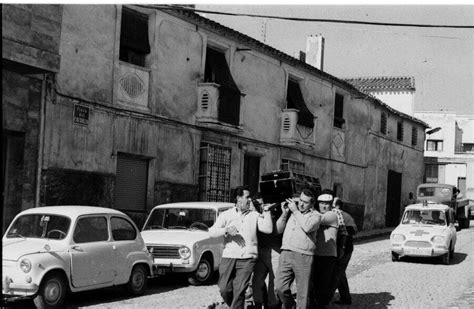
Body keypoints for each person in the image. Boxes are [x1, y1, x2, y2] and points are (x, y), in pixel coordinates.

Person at [209, 186, 273, 309]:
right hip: (229, 256)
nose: (250, 200)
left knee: (239, 290)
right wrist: (226, 230)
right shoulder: (226, 214)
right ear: (238, 199)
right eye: (247, 197)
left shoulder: (254, 215)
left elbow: (268, 229)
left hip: (248, 258)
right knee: (224, 289)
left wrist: (267, 211)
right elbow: (211, 232)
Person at [274, 188, 322, 309]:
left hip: (303, 256)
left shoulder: (316, 216)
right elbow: (278, 229)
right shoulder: (292, 212)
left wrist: (295, 211)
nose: (301, 204)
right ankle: (291, 306)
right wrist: (284, 213)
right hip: (286, 253)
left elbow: (307, 227)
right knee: (280, 287)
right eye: (300, 200)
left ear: (312, 204)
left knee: (302, 293)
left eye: (305, 202)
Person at [252, 198, 286, 309]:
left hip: (275, 250)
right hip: (261, 250)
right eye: (257, 204)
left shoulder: (277, 212)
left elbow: (276, 230)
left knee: (274, 284)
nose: (260, 206)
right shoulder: (255, 215)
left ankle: (273, 305)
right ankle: (259, 303)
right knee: (257, 282)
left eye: (262, 203)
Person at [313, 193, 339, 309]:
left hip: (328, 255)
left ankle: (322, 305)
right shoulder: (316, 214)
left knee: (324, 284)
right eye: (321, 203)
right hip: (315, 254)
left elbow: (317, 219)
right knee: (314, 283)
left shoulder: (331, 215)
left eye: (326, 204)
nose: (324, 206)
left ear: (331, 205)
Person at [331, 197, 358, 306]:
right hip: (344, 248)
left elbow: (354, 230)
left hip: (344, 249)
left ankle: (344, 298)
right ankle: (344, 297)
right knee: (339, 273)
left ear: (337, 206)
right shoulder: (345, 215)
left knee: (339, 273)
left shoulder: (343, 216)